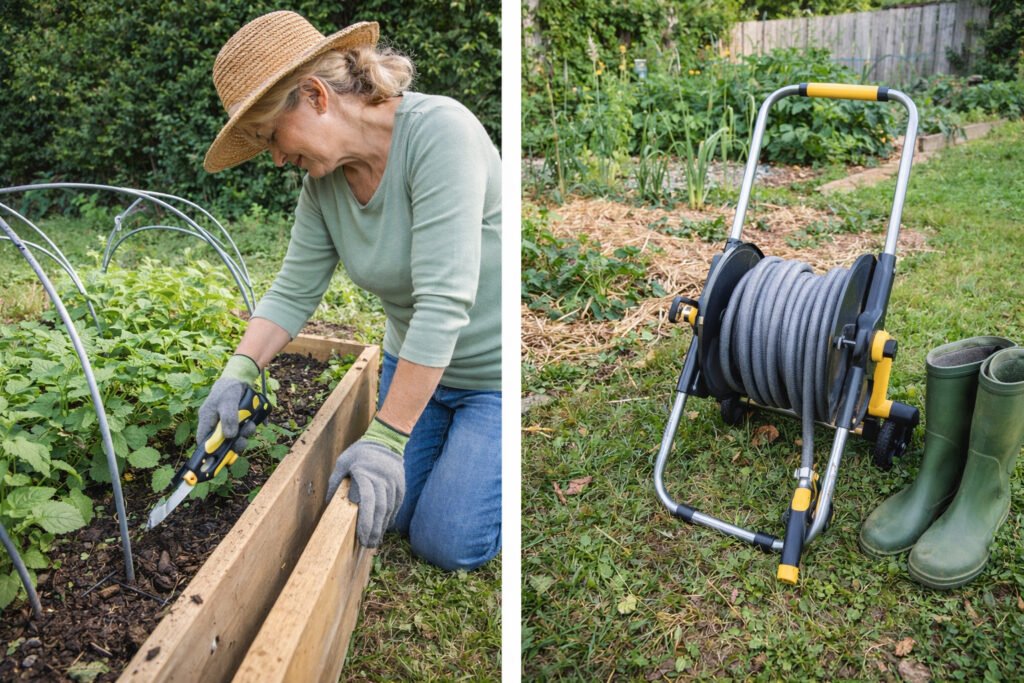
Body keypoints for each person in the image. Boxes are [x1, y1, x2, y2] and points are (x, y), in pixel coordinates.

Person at [195, 10, 501, 571]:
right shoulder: (324, 186)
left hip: (490, 376)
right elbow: (292, 290)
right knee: (391, 511)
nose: (279, 158)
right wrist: (238, 370)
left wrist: (386, 437)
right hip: (413, 368)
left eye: (271, 137)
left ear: (314, 96)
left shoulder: (441, 134)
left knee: (446, 542)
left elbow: (443, 301)